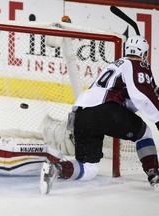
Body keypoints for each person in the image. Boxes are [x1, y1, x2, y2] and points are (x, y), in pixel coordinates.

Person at [40, 35, 159, 194]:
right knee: (144, 133)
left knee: (89, 168)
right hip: (106, 111)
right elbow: (141, 95)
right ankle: (154, 176)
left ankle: (57, 168)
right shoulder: (138, 64)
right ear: (144, 53)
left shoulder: (114, 65)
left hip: (80, 115)